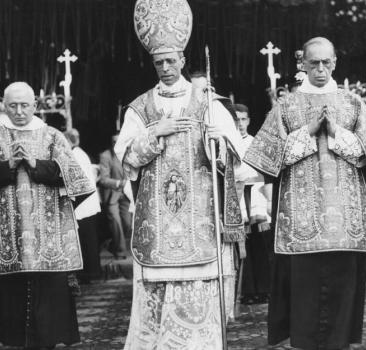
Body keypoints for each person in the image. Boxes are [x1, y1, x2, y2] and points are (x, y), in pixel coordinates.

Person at [244, 37, 366, 350]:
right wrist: (308, 132)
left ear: (335, 63)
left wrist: (337, 133)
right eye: (314, 63)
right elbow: (267, 159)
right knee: (305, 290)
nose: (321, 69)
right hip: (301, 220)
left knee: (343, 289)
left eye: (327, 62)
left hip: (345, 221)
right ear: (301, 63)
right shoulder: (285, 106)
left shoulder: (352, 102)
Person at [117, 0, 244, 347]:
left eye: (171, 60)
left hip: (198, 216)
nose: (165, 67)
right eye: (159, 62)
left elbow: (235, 157)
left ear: (184, 60)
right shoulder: (141, 107)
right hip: (157, 220)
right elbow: (126, 158)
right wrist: (155, 133)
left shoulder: (208, 102)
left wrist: (219, 143)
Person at [0, 81, 95, 348]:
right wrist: (6, 165)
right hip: (6, 230)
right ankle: (12, 340)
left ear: (35, 105)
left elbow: (76, 180)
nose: (19, 111)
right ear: (3, 106)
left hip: (49, 231)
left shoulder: (52, 135)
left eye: (25, 105)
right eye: (12, 106)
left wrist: (35, 164)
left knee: (49, 291)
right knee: (10, 295)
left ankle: (48, 339)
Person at [233, 103, 272, 304]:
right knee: (242, 245)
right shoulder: (228, 143)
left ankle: (264, 288)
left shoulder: (255, 142)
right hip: (238, 196)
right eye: (236, 119)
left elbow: (262, 171)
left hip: (255, 195)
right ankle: (246, 290)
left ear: (249, 120)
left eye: (243, 119)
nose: (240, 124)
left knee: (260, 243)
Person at [65, 128, 102, 281]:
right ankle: (90, 272)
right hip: (86, 203)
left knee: (88, 241)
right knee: (87, 240)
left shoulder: (76, 155)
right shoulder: (78, 153)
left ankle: (91, 273)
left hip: (84, 203)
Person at [98, 132, 133, 258]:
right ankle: (120, 251)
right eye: (113, 141)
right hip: (112, 196)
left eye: (118, 141)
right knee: (116, 221)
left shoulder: (128, 154)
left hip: (126, 195)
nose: (116, 144)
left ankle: (113, 243)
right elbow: (103, 180)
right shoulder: (105, 156)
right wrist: (120, 183)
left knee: (128, 224)